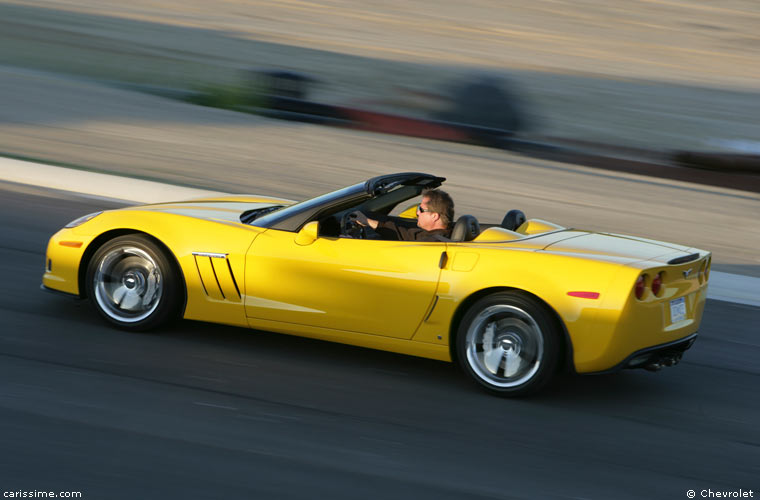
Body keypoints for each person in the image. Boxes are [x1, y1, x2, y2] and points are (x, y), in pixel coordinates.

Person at [353, 188, 454, 241]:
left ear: (434, 216)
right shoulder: (432, 234)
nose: (417, 212)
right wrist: (367, 221)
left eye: (421, 209)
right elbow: (405, 234)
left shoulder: (431, 243)